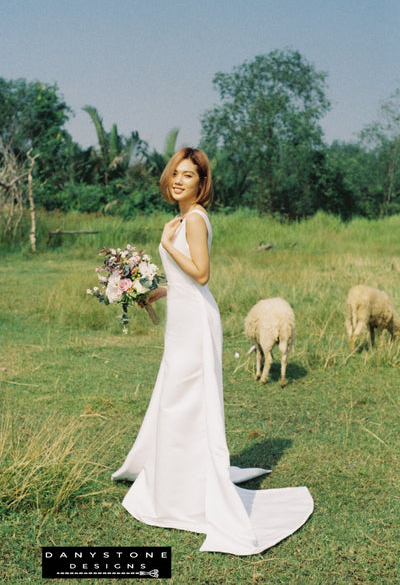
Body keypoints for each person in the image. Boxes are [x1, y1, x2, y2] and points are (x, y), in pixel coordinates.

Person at [111, 147, 313, 555]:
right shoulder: (181, 219)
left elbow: (202, 274)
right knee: (177, 398)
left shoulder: (196, 219)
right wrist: (154, 291)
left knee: (182, 401)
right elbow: (184, 280)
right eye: (175, 173)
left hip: (197, 324)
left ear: (202, 184)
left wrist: (168, 245)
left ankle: (180, 492)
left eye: (189, 175)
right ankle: (177, 479)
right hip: (183, 320)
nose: (179, 180)